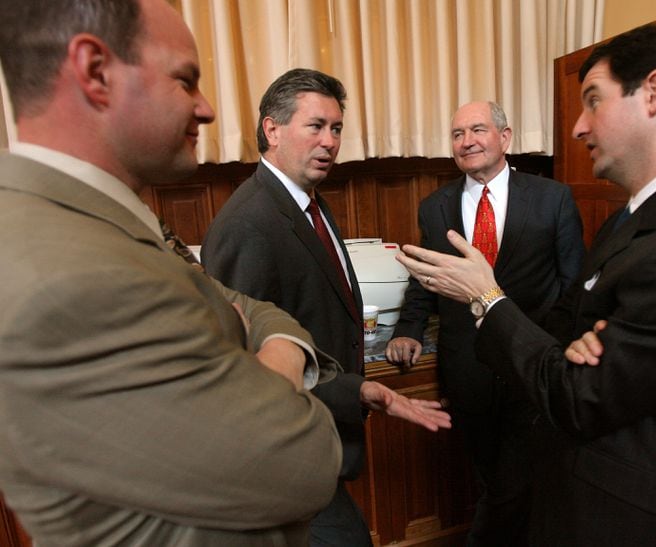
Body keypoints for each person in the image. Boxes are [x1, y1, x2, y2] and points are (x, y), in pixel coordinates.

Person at [396, 22, 656, 546]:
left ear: (655, 94)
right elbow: (572, 319)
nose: (577, 127)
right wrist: (573, 344)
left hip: (643, 521)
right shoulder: (636, 216)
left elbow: (584, 395)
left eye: (593, 101)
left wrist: (486, 296)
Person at [0, 1, 346, 545]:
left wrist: (260, 339)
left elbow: (251, 307)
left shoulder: (106, 219)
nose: (206, 109)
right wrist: (281, 362)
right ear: (94, 71)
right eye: (185, 80)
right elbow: (302, 459)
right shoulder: (61, 273)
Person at [201, 68, 451, 546]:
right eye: (315, 126)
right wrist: (355, 391)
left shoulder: (306, 200)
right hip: (286, 456)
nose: (330, 141)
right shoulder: (248, 224)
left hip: (321, 441)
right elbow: (247, 367)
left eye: (336, 128)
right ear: (272, 130)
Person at [385, 101, 584, 545]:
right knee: (489, 473)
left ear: (505, 137)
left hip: (533, 361)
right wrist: (406, 329)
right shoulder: (435, 207)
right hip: (468, 365)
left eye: (477, 129)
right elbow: (426, 278)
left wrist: (565, 349)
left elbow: (573, 284)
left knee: (522, 475)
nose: (467, 141)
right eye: (457, 134)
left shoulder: (553, 198)